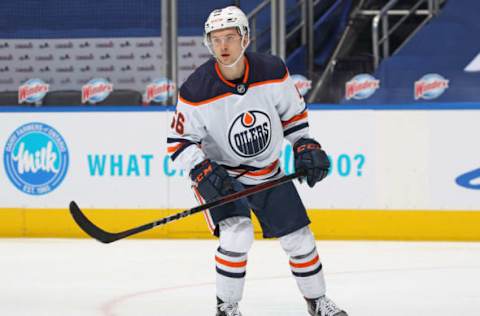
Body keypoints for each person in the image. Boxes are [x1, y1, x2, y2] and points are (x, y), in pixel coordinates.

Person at [167, 5, 347, 316]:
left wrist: (304, 145)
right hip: (222, 175)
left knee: (299, 238)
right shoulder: (196, 89)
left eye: (230, 37)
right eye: (215, 39)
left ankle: (317, 302)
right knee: (238, 235)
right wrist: (201, 170)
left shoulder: (273, 71)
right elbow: (179, 143)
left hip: (268, 171)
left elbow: (293, 117)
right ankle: (227, 307)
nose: (222, 46)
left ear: (246, 39)